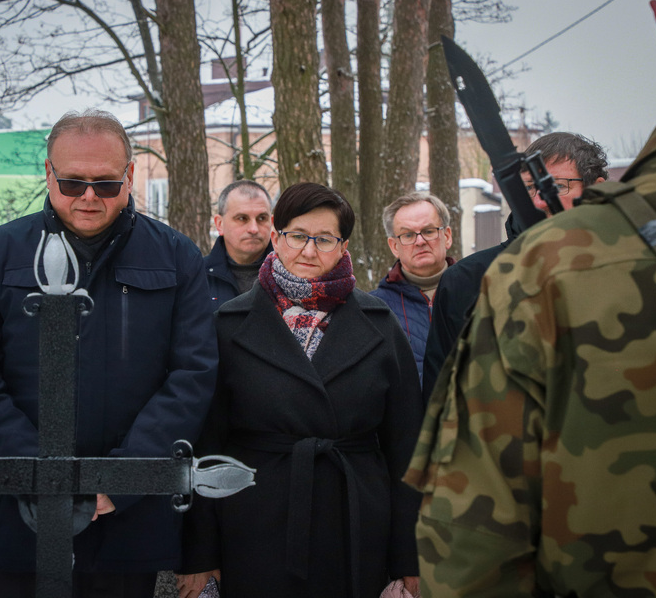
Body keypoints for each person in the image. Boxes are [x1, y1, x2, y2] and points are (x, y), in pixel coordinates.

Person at [406, 0, 656, 595]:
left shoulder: (540, 271)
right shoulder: (485, 278)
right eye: (538, 182)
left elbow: (473, 542)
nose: (541, 197)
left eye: (559, 185)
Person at [0, 109, 218, 598]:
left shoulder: (176, 256)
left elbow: (191, 374)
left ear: (129, 176)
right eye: (72, 182)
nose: (87, 197)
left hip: (128, 514)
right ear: (48, 174)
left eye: (105, 184)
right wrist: (40, 475)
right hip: (23, 509)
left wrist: (119, 480)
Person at [177, 183, 423, 598]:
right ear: (277, 237)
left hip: (356, 519)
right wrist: (200, 556)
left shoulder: (380, 326)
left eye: (324, 239)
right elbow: (203, 448)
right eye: (297, 236)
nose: (309, 251)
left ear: (343, 246)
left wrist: (409, 558)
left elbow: (408, 450)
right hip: (254, 517)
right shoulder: (228, 325)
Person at [422, 132, 608, 398]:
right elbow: (440, 396)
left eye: (556, 185)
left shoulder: (628, 273)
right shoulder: (467, 280)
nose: (538, 200)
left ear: (596, 189)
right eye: (529, 187)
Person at [370, 192, 455, 382]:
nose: (420, 241)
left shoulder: (479, 292)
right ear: (394, 246)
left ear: (447, 236)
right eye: (408, 234)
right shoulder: (374, 310)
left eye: (428, 231)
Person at [205, 180, 274, 305]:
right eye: (242, 218)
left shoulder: (292, 276)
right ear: (219, 224)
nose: (254, 229)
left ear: (272, 222)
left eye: (262, 218)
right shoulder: (196, 276)